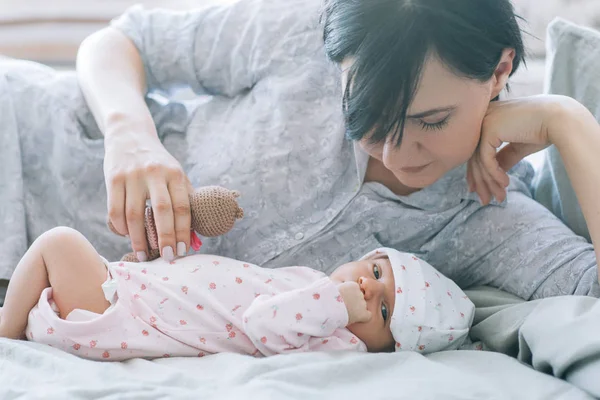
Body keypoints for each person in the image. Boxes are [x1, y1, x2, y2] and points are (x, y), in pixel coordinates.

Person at [1, 0, 599, 300]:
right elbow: (123, 39)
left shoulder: (488, 218)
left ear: (499, 71)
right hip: (25, 132)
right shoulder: (306, 31)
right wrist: (129, 135)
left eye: (429, 121)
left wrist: (566, 120)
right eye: (363, 116)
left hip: (36, 284)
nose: (393, 152)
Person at [0, 226, 474, 360]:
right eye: (374, 270)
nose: (366, 289)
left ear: (388, 347)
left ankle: (4, 338)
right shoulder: (313, 283)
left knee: (57, 244)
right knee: (57, 256)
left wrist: (335, 305)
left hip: (128, 312)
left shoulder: (338, 339)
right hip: (137, 292)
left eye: (384, 307)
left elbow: (262, 324)